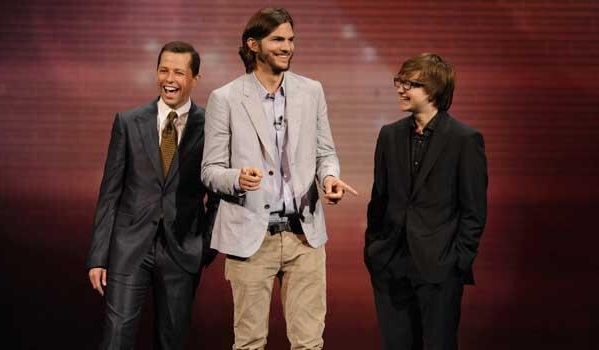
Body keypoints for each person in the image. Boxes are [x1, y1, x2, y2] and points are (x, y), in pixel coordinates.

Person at [201, 7, 357, 350]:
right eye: (278, 40)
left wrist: (329, 178)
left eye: (291, 40)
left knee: (308, 343)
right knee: (250, 343)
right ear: (253, 44)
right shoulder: (225, 98)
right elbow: (210, 171)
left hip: (305, 238)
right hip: (251, 237)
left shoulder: (311, 91)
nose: (287, 47)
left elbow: (324, 152)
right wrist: (238, 178)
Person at [85, 41, 218, 350]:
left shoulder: (212, 126)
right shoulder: (128, 122)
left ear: (195, 79)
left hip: (182, 250)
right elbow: (110, 193)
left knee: (172, 340)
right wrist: (98, 255)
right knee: (117, 336)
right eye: (163, 71)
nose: (169, 79)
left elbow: (219, 196)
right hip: (129, 247)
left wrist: (205, 247)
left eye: (178, 73)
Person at [365, 53, 488, 350]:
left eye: (411, 83)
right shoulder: (389, 135)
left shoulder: (464, 139)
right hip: (391, 264)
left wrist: (457, 263)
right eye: (400, 81)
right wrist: (374, 250)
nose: (400, 88)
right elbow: (379, 200)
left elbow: (474, 210)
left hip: (440, 267)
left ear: (434, 90)